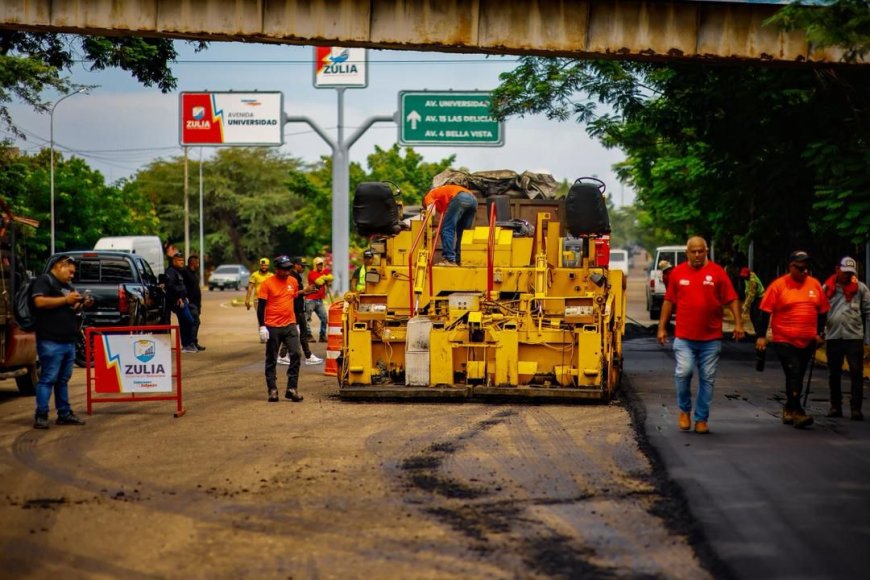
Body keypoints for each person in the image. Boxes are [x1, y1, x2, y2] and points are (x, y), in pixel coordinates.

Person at [657, 236, 744, 434]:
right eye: (693, 252)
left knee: (707, 378)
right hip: (685, 337)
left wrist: (738, 323)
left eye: (701, 251)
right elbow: (669, 302)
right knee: (683, 372)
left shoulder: (717, 272)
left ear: (706, 251)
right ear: (687, 252)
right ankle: (684, 410)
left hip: (711, 339)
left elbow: (731, 299)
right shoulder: (677, 273)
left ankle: (701, 419)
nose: (697, 255)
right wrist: (661, 327)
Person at [756, 250, 829, 429]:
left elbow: (823, 311)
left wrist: (819, 333)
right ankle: (798, 412)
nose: (804, 271)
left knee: (797, 375)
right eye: (800, 268)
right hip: (784, 339)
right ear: (791, 267)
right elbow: (765, 311)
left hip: (808, 340)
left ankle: (789, 408)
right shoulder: (779, 286)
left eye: (806, 268)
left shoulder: (814, 285)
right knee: (794, 371)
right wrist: (761, 336)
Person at [31, 255, 94, 429]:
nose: (72, 275)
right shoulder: (44, 281)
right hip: (51, 340)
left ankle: (64, 413)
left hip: (68, 341)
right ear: (60, 266)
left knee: (63, 379)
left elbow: (71, 308)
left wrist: (82, 304)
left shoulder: (67, 286)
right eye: (70, 271)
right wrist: (66, 300)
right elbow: (39, 302)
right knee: (48, 378)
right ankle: (41, 415)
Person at [821, 256, 869, 421]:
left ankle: (856, 408)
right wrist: (817, 332)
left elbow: (868, 311)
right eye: (845, 271)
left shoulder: (861, 289)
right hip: (833, 335)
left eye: (851, 273)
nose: (848, 275)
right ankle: (835, 406)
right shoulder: (827, 287)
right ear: (837, 270)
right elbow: (819, 310)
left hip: (854, 336)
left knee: (856, 372)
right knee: (834, 372)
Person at [257, 255, 304, 403]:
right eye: (284, 269)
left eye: (289, 268)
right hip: (272, 327)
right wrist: (262, 326)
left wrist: (298, 323)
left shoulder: (293, 281)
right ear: (277, 269)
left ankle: (292, 388)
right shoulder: (267, 284)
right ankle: (272, 390)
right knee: (271, 358)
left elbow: (294, 298)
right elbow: (261, 307)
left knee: (296, 354)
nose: (287, 271)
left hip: (290, 324)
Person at [423, 184, 478, 266]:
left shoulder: (429, 196)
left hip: (460, 197)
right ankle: (459, 260)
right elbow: (447, 221)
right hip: (473, 200)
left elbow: (432, 212)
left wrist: (427, 227)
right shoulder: (445, 198)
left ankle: (449, 259)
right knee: (463, 233)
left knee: (447, 229)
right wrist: (436, 232)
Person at [287, 257, 322, 366]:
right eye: (301, 265)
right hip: (295, 309)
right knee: (298, 333)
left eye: (304, 266)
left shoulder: (297, 276)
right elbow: (292, 293)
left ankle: (285, 355)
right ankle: (307, 356)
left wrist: (307, 292)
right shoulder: (291, 276)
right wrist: (304, 291)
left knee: (298, 333)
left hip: (298, 307)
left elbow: (298, 293)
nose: (303, 268)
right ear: (295, 265)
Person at [165, 251, 197, 353]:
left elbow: (181, 286)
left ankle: (187, 345)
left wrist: (184, 297)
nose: (182, 262)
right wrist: (178, 297)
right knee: (190, 322)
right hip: (178, 302)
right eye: (179, 260)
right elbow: (170, 287)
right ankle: (188, 344)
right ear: (174, 261)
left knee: (185, 323)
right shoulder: (171, 272)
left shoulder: (178, 271)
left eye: (182, 260)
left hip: (183, 300)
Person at [305, 256, 333, 342]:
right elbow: (319, 282)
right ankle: (308, 335)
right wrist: (326, 277)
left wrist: (325, 276)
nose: (320, 266)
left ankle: (322, 336)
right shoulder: (311, 273)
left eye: (321, 264)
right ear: (315, 265)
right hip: (310, 299)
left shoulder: (323, 272)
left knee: (324, 318)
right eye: (318, 264)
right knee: (307, 318)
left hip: (319, 300)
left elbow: (332, 278)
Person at [245, 258, 273, 341]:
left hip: (269, 300)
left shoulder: (271, 276)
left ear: (268, 266)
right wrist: (247, 300)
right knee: (261, 316)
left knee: (269, 317)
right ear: (260, 265)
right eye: (262, 265)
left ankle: (269, 334)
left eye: (265, 265)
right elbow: (250, 288)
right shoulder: (254, 275)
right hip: (258, 300)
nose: (264, 266)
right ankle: (263, 335)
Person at [182, 254, 205, 351]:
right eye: (197, 262)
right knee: (194, 322)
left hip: (196, 303)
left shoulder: (193, 273)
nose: (198, 264)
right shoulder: (185, 272)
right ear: (193, 263)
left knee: (195, 322)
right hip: (190, 303)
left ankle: (194, 343)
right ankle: (190, 343)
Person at [739, 266, 765, 336]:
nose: (744, 277)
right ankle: (757, 332)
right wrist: (745, 302)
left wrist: (746, 305)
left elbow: (751, 295)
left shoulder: (752, 281)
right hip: (754, 296)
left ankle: (759, 333)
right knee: (752, 315)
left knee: (755, 315)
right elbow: (748, 291)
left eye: (745, 276)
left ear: (748, 274)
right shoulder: (747, 278)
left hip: (759, 297)